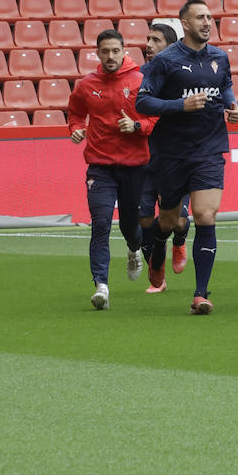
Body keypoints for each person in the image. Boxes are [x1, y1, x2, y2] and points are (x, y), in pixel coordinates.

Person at [136, 0, 238, 315]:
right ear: (184, 23)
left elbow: (224, 86)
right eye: (200, 18)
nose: (207, 22)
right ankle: (158, 254)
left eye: (210, 17)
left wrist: (231, 106)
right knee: (168, 221)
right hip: (170, 154)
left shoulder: (220, 58)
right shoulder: (165, 61)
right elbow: (143, 103)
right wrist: (179, 106)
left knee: (205, 216)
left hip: (209, 149)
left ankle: (200, 294)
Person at [67, 30, 157, 309]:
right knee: (101, 223)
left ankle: (133, 249)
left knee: (131, 227)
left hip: (134, 166)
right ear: (97, 52)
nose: (110, 56)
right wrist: (76, 128)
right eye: (105, 51)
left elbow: (155, 117)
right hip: (100, 166)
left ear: (124, 51)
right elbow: (75, 113)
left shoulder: (141, 81)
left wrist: (137, 126)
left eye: (115, 51)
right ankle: (101, 286)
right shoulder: (86, 85)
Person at [137, 22, 189, 293]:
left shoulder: (183, 76)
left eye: (156, 40)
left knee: (177, 221)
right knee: (145, 219)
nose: (148, 44)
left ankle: (180, 240)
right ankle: (157, 272)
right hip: (144, 157)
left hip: (177, 157)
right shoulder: (138, 76)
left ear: (171, 47)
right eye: (147, 39)